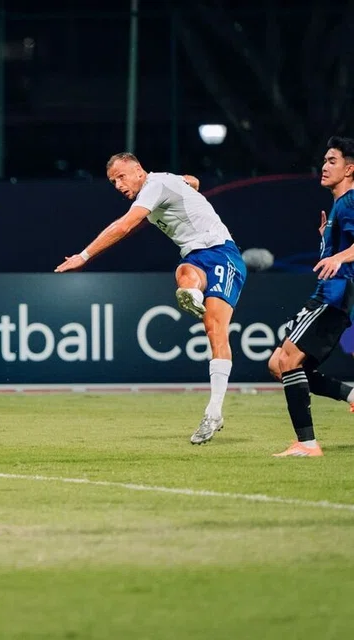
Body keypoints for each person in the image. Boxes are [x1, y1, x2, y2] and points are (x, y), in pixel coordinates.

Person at [55, 152, 247, 445]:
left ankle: (214, 411)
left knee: (215, 330)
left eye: (121, 177)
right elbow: (193, 181)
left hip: (223, 254)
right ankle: (192, 294)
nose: (118, 185)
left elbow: (123, 226)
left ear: (139, 170)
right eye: (113, 182)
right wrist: (186, 182)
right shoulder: (163, 182)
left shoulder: (154, 186)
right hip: (195, 256)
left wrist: (84, 256)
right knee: (183, 274)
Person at [268, 136, 354, 457]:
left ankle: (307, 444)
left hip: (333, 295)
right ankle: (350, 395)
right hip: (329, 295)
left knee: (287, 361)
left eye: (332, 161)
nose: (324, 166)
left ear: (349, 169)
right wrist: (327, 241)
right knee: (279, 365)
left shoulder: (349, 202)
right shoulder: (338, 206)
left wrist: (338, 257)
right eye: (324, 160)